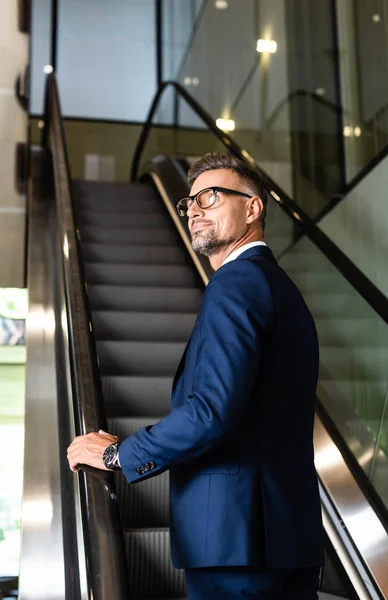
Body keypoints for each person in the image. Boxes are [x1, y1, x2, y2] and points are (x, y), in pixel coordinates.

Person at [67, 152, 324, 599]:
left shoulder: (236, 284)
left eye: (211, 196)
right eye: (189, 203)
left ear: (253, 207)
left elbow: (210, 413)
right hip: (284, 537)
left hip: (234, 544)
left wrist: (118, 455)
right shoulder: (279, 289)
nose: (195, 209)